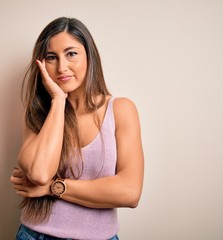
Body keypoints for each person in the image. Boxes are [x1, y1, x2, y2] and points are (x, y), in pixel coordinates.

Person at [10, 17, 144, 240]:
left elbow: (130, 192)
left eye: (71, 54)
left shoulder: (120, 110)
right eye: (52, 57)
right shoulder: (38, 113)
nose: (62, 67)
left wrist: (53, 188)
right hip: (35, 235)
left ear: (89, 56)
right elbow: (40, 172)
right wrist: (58, 101)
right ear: (42, 64)